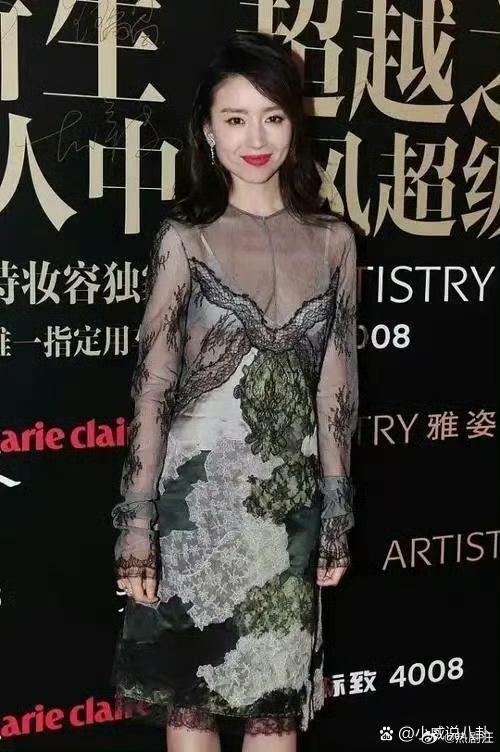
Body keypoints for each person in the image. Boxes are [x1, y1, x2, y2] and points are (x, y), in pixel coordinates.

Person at [110, 30, 359, 752]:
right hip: (194, 504)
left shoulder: (335, 240)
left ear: (294, 125)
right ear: (208, 130)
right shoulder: (185, 238)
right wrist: (138, 522)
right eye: (236, 118)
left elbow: (337, 384)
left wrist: (337, 507)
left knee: (275, 701)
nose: (256, 138)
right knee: (190, 702)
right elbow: (155, 384)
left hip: (287, 506)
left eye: (273, 117)